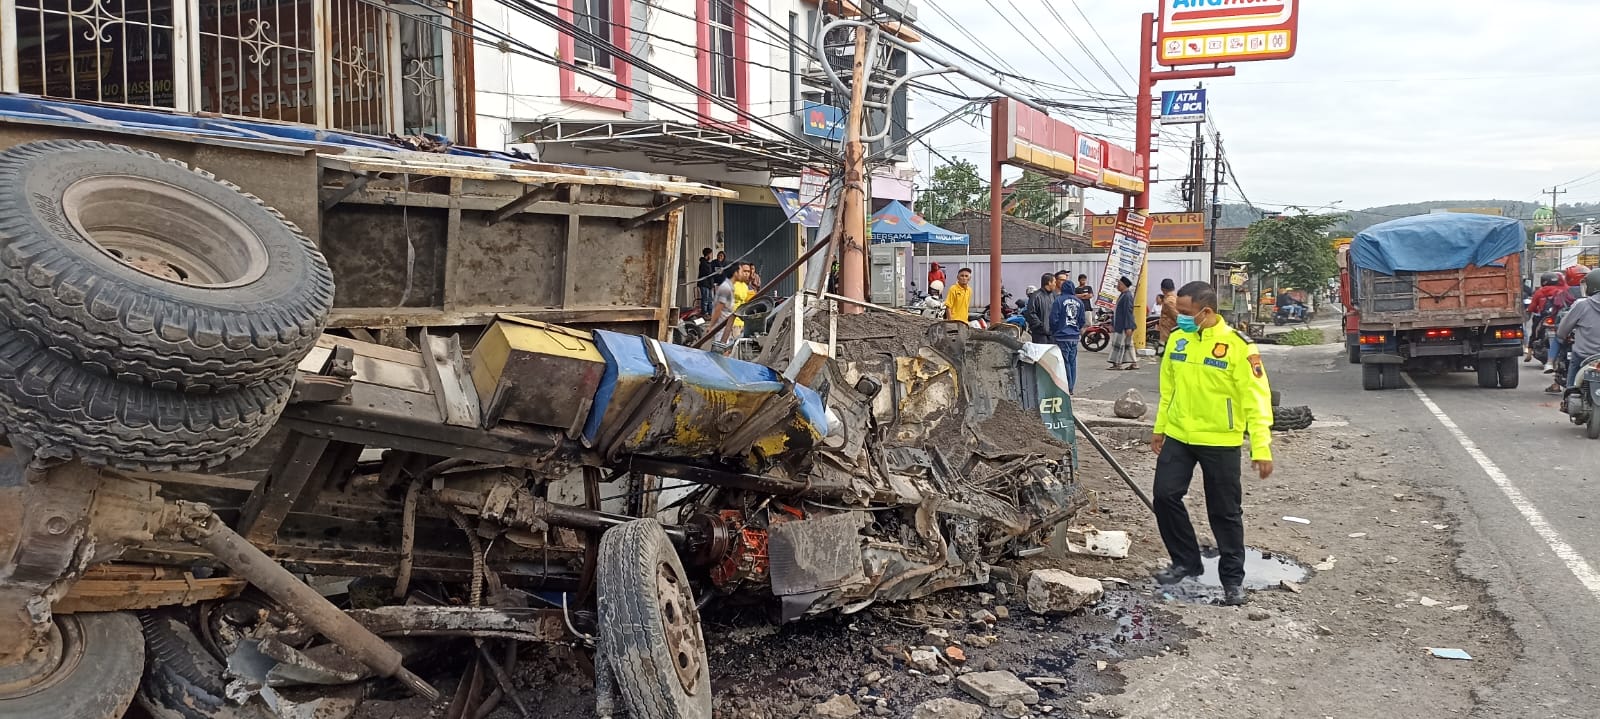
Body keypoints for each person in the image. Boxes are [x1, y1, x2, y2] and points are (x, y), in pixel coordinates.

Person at [1150, 281, 1274, 607]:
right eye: (1179, 314)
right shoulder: (1178, 341)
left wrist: (1261, 448)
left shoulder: (1238, 347)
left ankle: (1232, 581)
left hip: (1221, 440)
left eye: (1188, 314)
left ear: (1206, 311)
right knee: (1164, 496)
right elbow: (1168, 391)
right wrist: (1160, 429)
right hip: (1179, 434)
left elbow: (1257, 401)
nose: (1181, 320)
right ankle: (1186, 561)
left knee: (1225, 512)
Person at [1557, 271, 1600, 393]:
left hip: (1584, 355)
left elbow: (1562, 330)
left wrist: (1561, 337)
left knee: (1573, 379)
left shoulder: (1582, 305)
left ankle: (1569, 394)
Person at [1049, 278, 1086, 392]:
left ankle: (1066, 387)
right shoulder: (1079, 302)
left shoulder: (1058, 301)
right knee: (1072, 362)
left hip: (1062, 336)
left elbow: (1053, 319)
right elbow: (1082, 320)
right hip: (1074, 336)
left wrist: (1055, 331)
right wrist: (1076, 329)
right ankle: (1071, 387)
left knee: (1064, 362)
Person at [1109, 276, 1139, 370]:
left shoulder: (1127, 296)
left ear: (1123, 285)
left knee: (1120, 345)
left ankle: (1118, 364)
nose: (1117, 286)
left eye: (1119, 284)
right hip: (1119, 325)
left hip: (1124, 326)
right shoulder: (1123, 295)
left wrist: (1128, 327)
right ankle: (1134, 363)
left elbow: (1128, 312)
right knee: (1128, 345)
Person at [708, 264, 740, 344]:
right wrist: (711, 326)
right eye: (740, 271)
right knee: (720, 352)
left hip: (726, 328)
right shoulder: (725, 288)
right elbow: (718, 309)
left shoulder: (730, 287)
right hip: (721, 329)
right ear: (735, 273)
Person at [1024, 273, 1058, 344]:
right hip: (1040, 335)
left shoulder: (1054, 296)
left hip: (1053, 334)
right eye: (1054, 282)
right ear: (1049, 282)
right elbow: (1031, 313)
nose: (1055, 284)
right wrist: (1041, 327)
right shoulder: (1036, 296)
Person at [1157, 278, 1179, 353]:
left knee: (1166, 353)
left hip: (1168, 331)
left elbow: (1176, 315)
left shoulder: (1169, 301)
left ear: (1163, 289)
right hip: (1171, 330)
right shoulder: (1175, 298)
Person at [696, 248, 717, 315]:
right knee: (705, 299)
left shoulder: (708, 263)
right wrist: (714, 272)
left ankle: (711, 313)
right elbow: (707, 273)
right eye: (710, 254)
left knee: (710, 299)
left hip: (709, 284)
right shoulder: (703, 263)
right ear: (708, 254)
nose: (711, 256)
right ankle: (704, 313)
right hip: (704, 284)